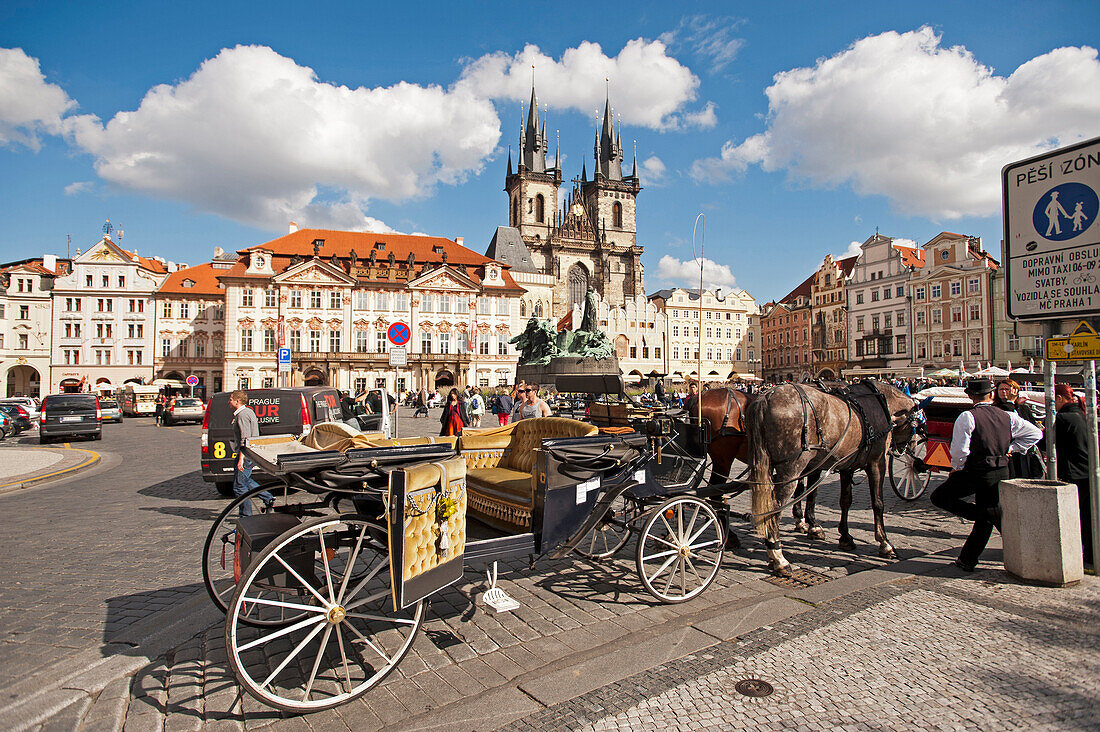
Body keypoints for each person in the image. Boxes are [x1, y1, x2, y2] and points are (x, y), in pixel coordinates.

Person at [930, 378, 1042, 572]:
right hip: (1001, 470)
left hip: (977, 470)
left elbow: (959, 450)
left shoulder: (967, 416)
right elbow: (1035, 434)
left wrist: (956, 468)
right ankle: (967, 559)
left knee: (940, 497)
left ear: (969, 396)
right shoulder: (1007, 416)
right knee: (987, 516)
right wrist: (1012, 448)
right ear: (991, 394)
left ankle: (980, 520)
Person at [1042, 384, 1092, 566]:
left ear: (1061, 398)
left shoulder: (1063, 418)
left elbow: (1046, 442)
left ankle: (1081, 553)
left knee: (1075, 517)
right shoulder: (1082, 415)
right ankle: (1090, 553)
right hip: (1087, 471)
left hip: (1073, 473)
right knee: (1088, 515)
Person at [228, 390, 273, 516]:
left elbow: (245, 438)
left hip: (246, 454)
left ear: (237, 401)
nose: (229, 401)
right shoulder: (248, 412)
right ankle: (268, 497)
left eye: (231, 399)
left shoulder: (242, 414)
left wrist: (241, 457)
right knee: (244, 480)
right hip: (249, 452)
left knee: (239, 486)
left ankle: (246, 515)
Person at [994, 379, 1044, 479]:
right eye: (1001, 389)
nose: (1004, 392)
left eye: (1007, 389)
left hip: (1024, 453)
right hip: (1006, 453)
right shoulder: (995, 409)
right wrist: (1010, 402)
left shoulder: (1023, 409)